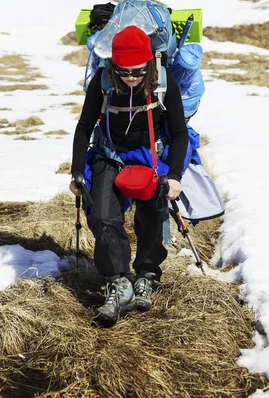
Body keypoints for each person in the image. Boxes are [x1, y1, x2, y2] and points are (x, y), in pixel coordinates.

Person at [70, 25, 188, 325]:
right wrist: (76, 170)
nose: (131, 77)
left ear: (149, 63)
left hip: (150, 157)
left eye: (138, 70)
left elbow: (178, 132)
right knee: (102, 217)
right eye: (124, 71)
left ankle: (147, 274)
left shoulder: (163, 81)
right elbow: (84, 127)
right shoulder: (104, 81)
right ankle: (119, 282)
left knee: (151, 217)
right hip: (110, 154)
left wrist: (174, 175)